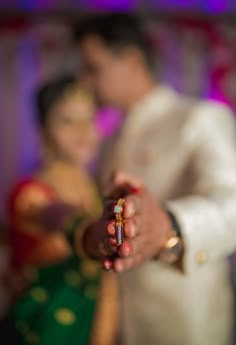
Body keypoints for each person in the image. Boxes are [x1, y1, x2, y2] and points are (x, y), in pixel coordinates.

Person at [74, 13, 236, 345]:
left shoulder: (198, 117)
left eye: (94, 68)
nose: (86, 82)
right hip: (119, 319)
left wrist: (170, 226)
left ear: (132, 60)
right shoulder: (109, 140)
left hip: (186, 319)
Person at [1, 76, 118, 345]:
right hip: (37, 330)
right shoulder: (28, 193)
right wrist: (83, 227)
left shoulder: (100, 195)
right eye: (67, 121)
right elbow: (54, 214)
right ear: (44, 131)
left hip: (89, 330)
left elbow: (108, 286)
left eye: (89, 119)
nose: (83, 131)